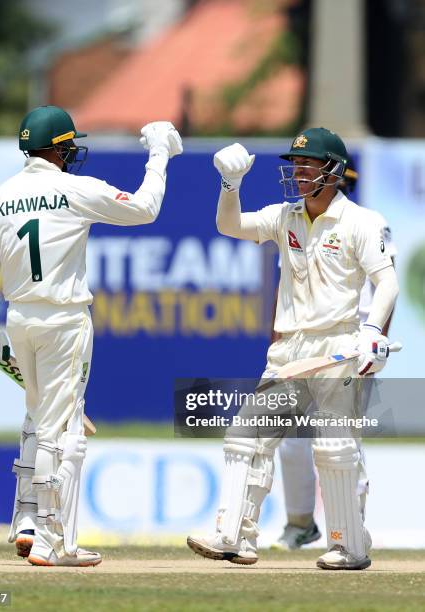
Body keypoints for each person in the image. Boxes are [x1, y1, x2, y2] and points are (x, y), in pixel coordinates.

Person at [0, 105, 182, 567]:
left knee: (39, 418)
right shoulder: (73, 188)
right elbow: (145, 209)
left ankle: (27, 522)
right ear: (60, 149)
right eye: (69, 146)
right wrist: (159, 154)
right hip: (64, 321)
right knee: (62, 432)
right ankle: (52, 540)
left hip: (20, 319)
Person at [187, 127, 399, 570]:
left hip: (338, 346)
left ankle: (348, 546)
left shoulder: (363, 222)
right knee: (247, 438)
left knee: (334, 449)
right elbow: (228, 224)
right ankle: (234, 536)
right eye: (296, 164)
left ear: (334, 170)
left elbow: (388, 284)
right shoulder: (285, 217)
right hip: (289, 350)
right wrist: (230, 184)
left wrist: (372, 332)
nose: (299, 172)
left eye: (309, 165)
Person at [272, 160, 398, 550]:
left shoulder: (366, 225)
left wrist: (373, 349)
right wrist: (278, 340)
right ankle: (299, 524)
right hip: (305, 343)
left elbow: (385, 291)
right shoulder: (298, 224)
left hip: (352, 343)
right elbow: (287, 295)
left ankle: (351, 528)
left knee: (342, 441)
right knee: (292, 438)